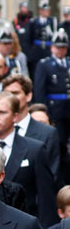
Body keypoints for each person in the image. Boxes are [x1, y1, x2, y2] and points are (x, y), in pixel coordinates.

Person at [0, 91, 56, 227]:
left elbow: (45, 197)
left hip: (23, 225)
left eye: (1, 112)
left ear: (15, 116)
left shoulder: (34, 149)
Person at [33, 29, 70, 173]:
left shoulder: (68, 63)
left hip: (68, 109)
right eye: (58, 47)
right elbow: (40, 90)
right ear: (52, 47)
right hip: (55, 110)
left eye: (63, 47)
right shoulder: (45, 64)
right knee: (59, 144)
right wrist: (44, 111)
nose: (61, 50)